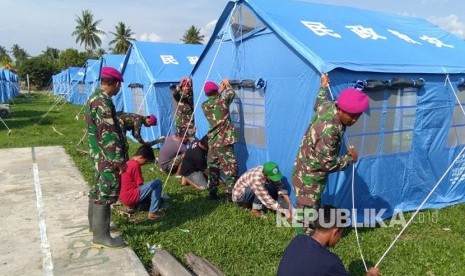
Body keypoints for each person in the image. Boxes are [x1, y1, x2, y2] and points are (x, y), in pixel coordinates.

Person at [292, 74, 369, 211]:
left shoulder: (329, 106)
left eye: (358, 116)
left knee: (311, 209)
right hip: (309, 177)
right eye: (351, 115)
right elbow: (328, 164)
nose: (354, 120)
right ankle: (305, 232)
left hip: (306, 168)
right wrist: (350, 158)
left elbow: (319, 102)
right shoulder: (330, 130)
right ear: (339, 109)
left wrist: (323, 86)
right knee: (306, 215)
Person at [85, 66, 127, 249]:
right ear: (116, 84)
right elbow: (108, 134)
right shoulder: (103, 103)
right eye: (119, 86)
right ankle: (101, 236)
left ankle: (95, 228)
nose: (119, 90)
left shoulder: (93, 97)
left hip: (97, 154)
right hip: (107, 156)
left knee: (97, 189)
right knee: (106, 192)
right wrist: (118, 161)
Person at [277, 205, 381, 276]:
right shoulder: (330, 262)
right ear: (335, 231)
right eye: (341, 233)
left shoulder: (298, 239)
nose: (339, 239)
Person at [201, 79, 238, 200]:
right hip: (224, 141)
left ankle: (212, 193)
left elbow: (217, 100)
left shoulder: (205, 105)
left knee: (212, 167)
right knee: (231, 168)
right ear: (216, 91)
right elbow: (231, 93)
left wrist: (219, 91)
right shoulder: (222, 101)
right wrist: (227, 84)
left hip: (212, 142)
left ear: (206, 94)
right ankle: (229, 194)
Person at [120, 145, 165, 220]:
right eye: (146, 161)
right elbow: (140, 183)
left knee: (154, 197)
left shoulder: (128, 162)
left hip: (124, 196)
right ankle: (153, 212)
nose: (145, 163)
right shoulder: (135, 165)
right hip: (130, 197)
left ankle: (135, 206)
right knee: (157, 183)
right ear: (141, 157)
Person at [171, 77, 196, 142]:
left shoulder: (192, 96)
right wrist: (180, 84)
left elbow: (191, 94)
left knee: (191, 139)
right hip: (180, 122)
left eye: (188, 87)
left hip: (189, 122)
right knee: (179, 139)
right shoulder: (179, 97)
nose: (186, 88)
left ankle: (190, 151)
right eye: (185, 87)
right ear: (182, 88)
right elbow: (175, 93)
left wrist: (190, 84)